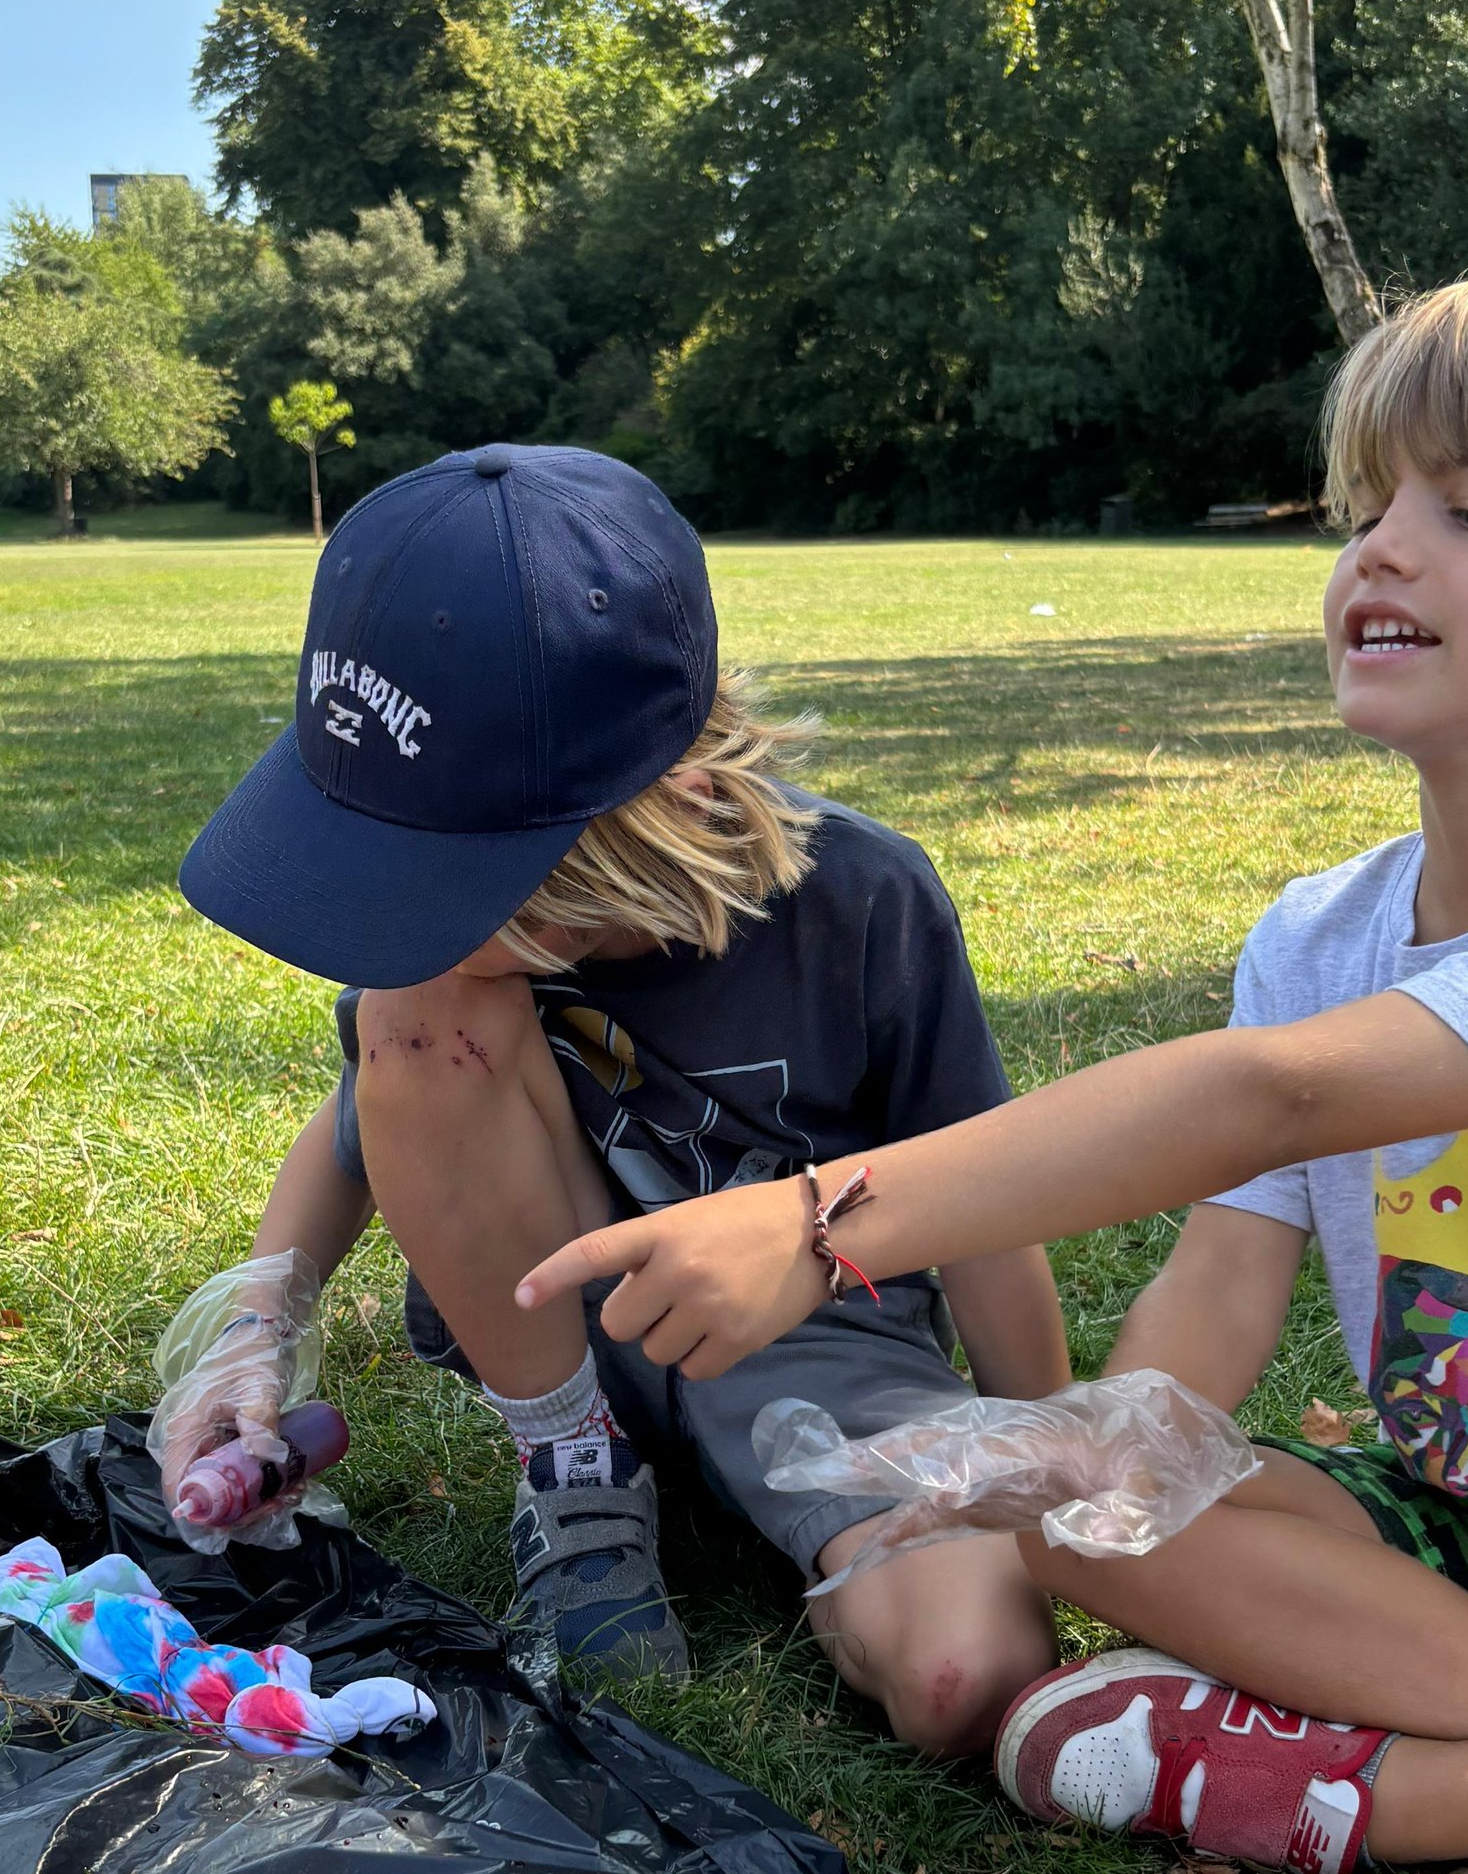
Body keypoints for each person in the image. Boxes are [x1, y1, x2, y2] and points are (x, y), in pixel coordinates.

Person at [517, 274, 1468, 1874]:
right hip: (1467, 1543)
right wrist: (1092, 1449)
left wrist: (822, 1221)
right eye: (1369, 509)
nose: (1381, 552)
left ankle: (1426, 1795)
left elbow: (1269, 1095)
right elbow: (1224, 1277)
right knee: (1080, 1502)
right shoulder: (1319, 931)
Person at [165, 440, 1065, 1749]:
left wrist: (1042, 1465)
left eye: (433, 868)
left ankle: (813, 1536)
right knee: (413, 1005)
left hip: (812, 1332)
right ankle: (577, 1472)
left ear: (657, 807)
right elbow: (362, 1118)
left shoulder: (866, 904)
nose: (386, 908)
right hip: (558, 1325)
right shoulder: (442, 977)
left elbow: (987, 1204)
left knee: (962, 1675)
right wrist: (255, 1329)